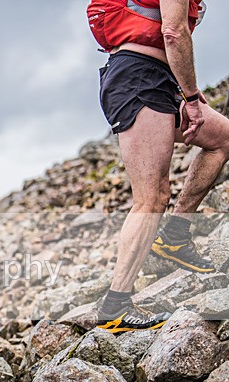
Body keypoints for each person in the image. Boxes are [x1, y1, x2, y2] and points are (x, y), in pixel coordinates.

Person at [88, 0, 229, 333]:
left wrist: (185, 91)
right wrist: (192, 99)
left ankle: (175, 236)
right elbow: (173, 32)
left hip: (156, 79)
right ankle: (115, 307)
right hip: (138, 79)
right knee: (151, 198)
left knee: (223, 138)